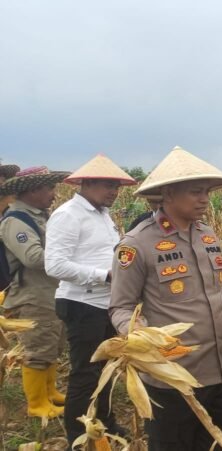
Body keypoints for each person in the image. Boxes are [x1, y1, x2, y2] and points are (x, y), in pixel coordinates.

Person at [109, 146, 222, 450]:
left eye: (206, 192)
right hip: (173, 379)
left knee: (220, 444)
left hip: (220, 369)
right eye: (196, 192)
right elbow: (120, 307)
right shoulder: (137, 244)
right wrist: (140, 335)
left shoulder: (207, 234)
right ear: (169, 194)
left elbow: (214, 291)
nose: (204, 199)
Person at [45, 154, 135, 443]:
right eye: (109, 185)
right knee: (86, 375)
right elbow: (55, 266)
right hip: (82, 304)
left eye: (117, 186)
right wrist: (104, 275)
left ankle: (105, 423)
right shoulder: (68, 215)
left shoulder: (102, 214)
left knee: (107, 370)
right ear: (87, 183)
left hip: (105, 304)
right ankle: (78, 435)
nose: (114, 192)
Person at [0, 167, 70, 419]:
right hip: (32, 295)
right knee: (37, 348)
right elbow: (32, 258)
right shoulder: (15, 220)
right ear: (31, 190)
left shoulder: (40, 215)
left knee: (52, 344)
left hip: (49, 291)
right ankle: (37, 404)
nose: (54, 193)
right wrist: (69, 255)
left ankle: (50, 392)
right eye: (49, 188)